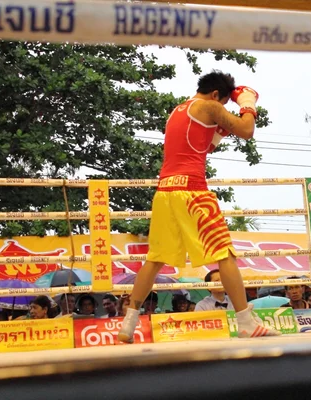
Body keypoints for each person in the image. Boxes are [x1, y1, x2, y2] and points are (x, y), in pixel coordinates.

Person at [118, 71, 280, 341]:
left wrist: (218, 132)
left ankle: (128, 323)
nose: (224, 109)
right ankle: (246, 322)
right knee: (224, 255)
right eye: (226, 103)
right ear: (217, 95)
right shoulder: (210, 106)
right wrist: (248, 103)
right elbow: (247, 130)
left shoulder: (178, 111)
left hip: (165, 191)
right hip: (192, 191)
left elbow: (201, 146)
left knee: (155, 259)